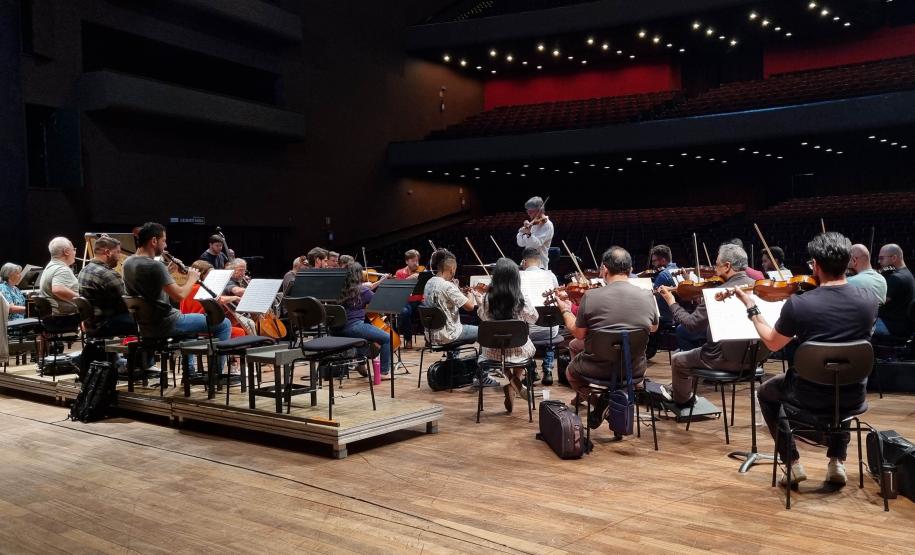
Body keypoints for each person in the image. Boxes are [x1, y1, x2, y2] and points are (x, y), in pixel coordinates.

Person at [733, 232, 877, 486]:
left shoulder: (799, 305)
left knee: (767, 392)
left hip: (807, 396)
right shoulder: (869, 300)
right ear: (847, 263)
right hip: (854, 394)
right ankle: (837, 463)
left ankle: (792, 463)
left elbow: (772, 341)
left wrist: (751, 307)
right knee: (839, 375)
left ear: (817, 265)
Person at [556, 246, 659, 428]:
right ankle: (612, 404)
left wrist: (565, 309)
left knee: (571, 373)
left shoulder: (591, 296)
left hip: (598, 368)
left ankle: (600, 402)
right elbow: (653, 328)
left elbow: (579, 333)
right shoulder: (647, 296)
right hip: (633, 369)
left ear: (604, 269)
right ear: (631, 270)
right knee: (577, 345)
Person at [658, 243, 758, 408]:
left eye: (717, 265)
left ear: (727, 266)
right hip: (753, 359)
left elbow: (691, 324)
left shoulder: (719, 293)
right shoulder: (758, 287)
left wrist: (671, 302)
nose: (714, 270)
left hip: (722, 358)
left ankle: (682, 401)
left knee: (677, 359)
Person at [124, 222, 231, 374]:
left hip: (145, 326)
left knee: (189, 331)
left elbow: (148, 290)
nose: (165, 245)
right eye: (164, 240)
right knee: (224, 323)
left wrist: (166, 272)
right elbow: (180, 296)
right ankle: (216, 374)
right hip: (167, 323)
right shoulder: (155, 266)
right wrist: (192, 278)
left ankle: (190, 372)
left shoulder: (128, 262)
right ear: (154, 241)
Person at [474, 258, 539, 413]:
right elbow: (534, 318)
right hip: (519, 349)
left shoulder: (487, 298)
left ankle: (511, 382)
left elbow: (483, 317)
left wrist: (479, 300)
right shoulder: (521, 299)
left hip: (493, 352)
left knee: (504, 355)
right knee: (522, 351)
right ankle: (515, 380)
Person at [333, 263, 392, 378]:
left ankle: (361, 364)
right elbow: (380, 304)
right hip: (354, 327)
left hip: (337, 329)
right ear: (358, 275)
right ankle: (384, 372)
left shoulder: (338, 289)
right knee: (387, 338)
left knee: (365, 334)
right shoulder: (362, 290)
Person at [422, 248, 480, 353]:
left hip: (431, 335)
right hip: (448, 335)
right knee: (484, 331)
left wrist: (458, 290)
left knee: (455, 324)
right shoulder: (447, 286)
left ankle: (453, 361)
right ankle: (483, 365)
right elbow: (470, 307)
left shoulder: (429, 282)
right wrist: (470, 293)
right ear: (452, 269)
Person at [77, 235, 133, 336]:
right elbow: (128, 302)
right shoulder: (107, 274)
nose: (120, 257)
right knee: (146, 320)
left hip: (91, 325)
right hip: (106, 325)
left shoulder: (83, 270)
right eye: (118, 252)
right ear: (108, 252)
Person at [520, 247, 559, 384]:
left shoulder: (520, 276)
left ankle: (531, 370)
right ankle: (548, 370)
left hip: (529, 330)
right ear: (540, 261)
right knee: (549, 330)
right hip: (551, 328)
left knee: (522, 325)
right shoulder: (551, 275)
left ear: (524, 261)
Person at [874, 243, 914, 337]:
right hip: (902, 325)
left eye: (882, 258)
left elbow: (875, 303)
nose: (879, 262)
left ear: (894, 258)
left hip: (890, 326)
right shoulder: (907, 273)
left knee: (851, 324)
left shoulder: (896, 278)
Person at [38, 237, 80, 318]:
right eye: (73, 249)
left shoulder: (50, 266)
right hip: (64, 318)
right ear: (66, 251)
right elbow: (58, 289)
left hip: (54, 318)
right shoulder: (61, 269)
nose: (75, 252)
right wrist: (82, 300)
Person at [394, 249, 424, 349]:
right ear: (407, 261)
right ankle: (408, 339)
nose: (416, 263)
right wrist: (410, 278)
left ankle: (429, 339)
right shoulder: (399, 273)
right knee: (404, 312)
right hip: (406, 301)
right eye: (413, 261)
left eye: (417, 261)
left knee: (429, 308)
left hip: (419, 301)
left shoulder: (422, 272)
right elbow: (398, 290)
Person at [516, 196, 553, 269]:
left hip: (540, 265)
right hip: (528, 263)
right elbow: (521, 243)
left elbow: (535, 245)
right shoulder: (533, 223)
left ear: (540, 210)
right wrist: (521, 233)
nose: (528, 214)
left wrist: (529, 234)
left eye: (531, 211)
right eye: (527, 211)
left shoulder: (547, 225)